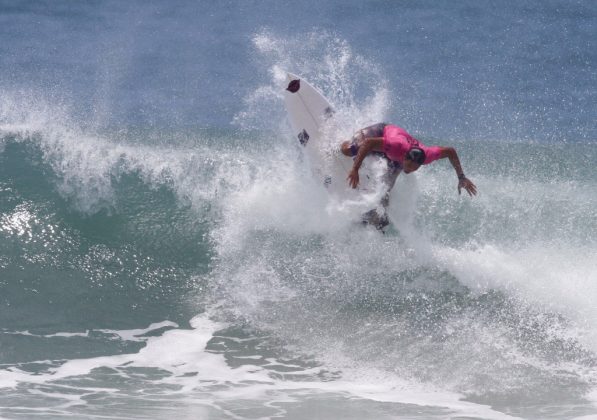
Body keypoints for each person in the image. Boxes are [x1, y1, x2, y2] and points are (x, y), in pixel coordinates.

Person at [340, 123, 477, 229]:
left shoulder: (427, 156)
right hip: (381, 132)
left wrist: (461, 177)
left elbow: (450, 151)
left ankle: (375, 219)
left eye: (413, 168)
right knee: (349, 150)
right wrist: (355, 169)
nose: (409, 170)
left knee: (386, 190)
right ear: (405, 157)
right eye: (408, 166)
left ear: (420, 164)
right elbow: (369, 143)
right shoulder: (395, 145)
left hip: (395, 158)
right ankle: (335, 145)